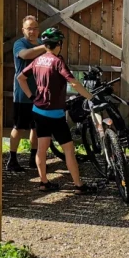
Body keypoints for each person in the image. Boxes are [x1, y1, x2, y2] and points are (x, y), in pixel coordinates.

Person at [16, 28, 96, 193]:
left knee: (42, 148)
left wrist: (31, 96)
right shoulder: (57, 61)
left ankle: (44, 182)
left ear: (45, 45)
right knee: (68, 149)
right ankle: (79, 185)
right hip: (56, 114)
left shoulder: (38, 61)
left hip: (38, 110)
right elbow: (74, 83)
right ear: (59, 44)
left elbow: (20, 78)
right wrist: (90, 97)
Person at [8, 15, 48, 171]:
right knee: (19, 127)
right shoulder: (20, 44)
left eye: (35, 28)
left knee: (36, 127)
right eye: (29, 28)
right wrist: (46, 46)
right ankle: (12, 159)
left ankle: (33, 157)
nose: (32, 31)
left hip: (40, 92)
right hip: (23, 95)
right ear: (23, 30)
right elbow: (26, 55)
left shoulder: (40, 43)